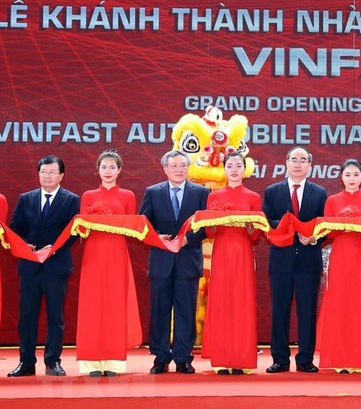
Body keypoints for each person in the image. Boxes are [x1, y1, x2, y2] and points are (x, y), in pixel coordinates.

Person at [8, 155, 80, 377]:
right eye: (43, 172)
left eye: (52, 172)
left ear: (61, 175)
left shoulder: (71, 199)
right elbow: (14, 227)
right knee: (27, 316)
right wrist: (24, 244)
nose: (47, 176)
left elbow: (75, 231)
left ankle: (53, 361)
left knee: (55, 316)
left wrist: (54, 247)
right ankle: (26, 362)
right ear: (38, 174)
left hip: (55, 266)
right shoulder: (26, 198)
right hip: (30, 267)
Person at [139, 150, 210, 374]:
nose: (179, 169)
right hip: (161, 262)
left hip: (188, 261)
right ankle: (160, 357)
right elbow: (143, 225)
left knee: (185, 312)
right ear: (165, 169)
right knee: (159, 311)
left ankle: (183, 358)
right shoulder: (152, 192)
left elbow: (208, 226)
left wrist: (190, 238)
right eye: (174, 166)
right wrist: (157, 237)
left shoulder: (201, 192)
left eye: (183, 165)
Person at [76, 149, 142, 376]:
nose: (108, 171)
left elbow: (133, 228)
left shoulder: (128, 196)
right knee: (92, 306)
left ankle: (114, 362)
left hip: (117, 255)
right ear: (98, 170)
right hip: (93, 255)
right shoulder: (88, 196)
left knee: (115, 305)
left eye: (112, 167)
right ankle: (91, 362)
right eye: (104, 167)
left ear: (119, 170)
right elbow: (81, 229)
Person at [263, 147, 327, 373]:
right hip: (281, 260)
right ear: (286, 163)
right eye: (293, 159)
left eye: (303, 160)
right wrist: (286, 228)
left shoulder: (320, 193)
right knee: (280, 310)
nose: (298, 164)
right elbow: (266, 222)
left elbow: (326, 225)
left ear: (310, 166)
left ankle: (305, 360)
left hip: (308, 260)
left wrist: (314, 237)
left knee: (307, 311)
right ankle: (279, 359)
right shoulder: (272, 191)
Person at [317, 158, 361, 373]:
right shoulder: (332, 201)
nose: (352, 179)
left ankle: (359, 358)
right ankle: (339, 358)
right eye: (347, 175)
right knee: (339, 305)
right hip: (339, 257)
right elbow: (327, 232)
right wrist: (343, 225)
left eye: (356, 175)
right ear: (341, 177)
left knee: (360, 305)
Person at [201, 152, 261, 375]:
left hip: (243, 254)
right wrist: (216, 219)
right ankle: (222, 359)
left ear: (244, 169)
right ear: (224, 169)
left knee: (242, 302)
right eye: (230, 166)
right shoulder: (213, 197)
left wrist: (249, 225)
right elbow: (209, 232)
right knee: (221, 303)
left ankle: (241, 360)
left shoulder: (253, 197)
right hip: (222, 254)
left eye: (238, 165)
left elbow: (255, 236)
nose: (234, 169)